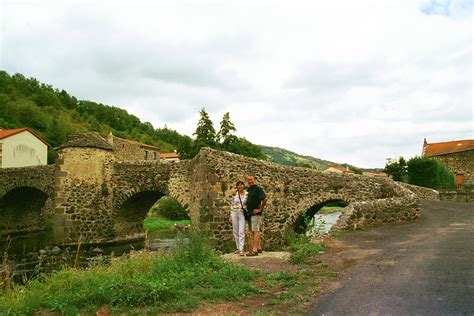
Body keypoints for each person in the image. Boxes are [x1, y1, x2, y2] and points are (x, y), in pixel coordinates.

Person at [245, 175, 267, 256]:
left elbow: (265, 199)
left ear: (254, 180)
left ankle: (254, 250)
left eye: (251, 180)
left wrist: (260, 209)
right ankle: (259, 247)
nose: (250, 181)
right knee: (253, 230)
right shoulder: (249, 189)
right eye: (248, 180)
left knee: (255, 230)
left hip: (255, 213)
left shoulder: (258, 189)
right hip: (249, 213)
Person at [229, 180, 248, 256]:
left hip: (242, 214)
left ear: (243, 186)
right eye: (238, 185)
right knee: (235, 231)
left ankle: (241, 249)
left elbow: (248, 203)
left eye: (241, 185)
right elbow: (232, 204)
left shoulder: (247, 194)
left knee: (241, 231)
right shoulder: (235, 194)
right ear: (237, 187)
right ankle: (238, 248)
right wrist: (230, 215)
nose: (240, 186)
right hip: (234, 213)